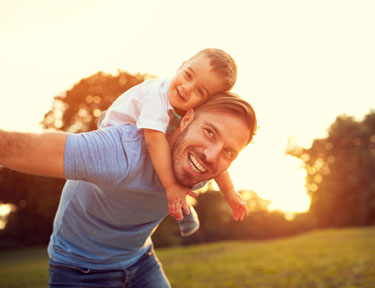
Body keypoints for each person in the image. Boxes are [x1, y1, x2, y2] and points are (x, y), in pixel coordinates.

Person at [0, 92, 257, 288]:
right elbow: (9, 148)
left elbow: (217, 162)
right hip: (80, 270)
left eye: (229, 152)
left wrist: (230, 193)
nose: (212, 156)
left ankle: (185, 212)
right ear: (186, 119)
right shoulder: (120, 152)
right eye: (210, 132)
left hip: (139, 259)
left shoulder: (200, 163)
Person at [99, 48, 248, 237]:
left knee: (192, 161)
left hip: (146, 140)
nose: (187, 88)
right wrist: (171, 187)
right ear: (181, 65)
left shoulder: (190, 110)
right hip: (116, 137)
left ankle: (183, 209)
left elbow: (215, 150)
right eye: (188, 75)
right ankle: (178, 205)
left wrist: (229, 191)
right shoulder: (156, 96)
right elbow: (153, 140)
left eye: (200, 91)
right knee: (167, 170)